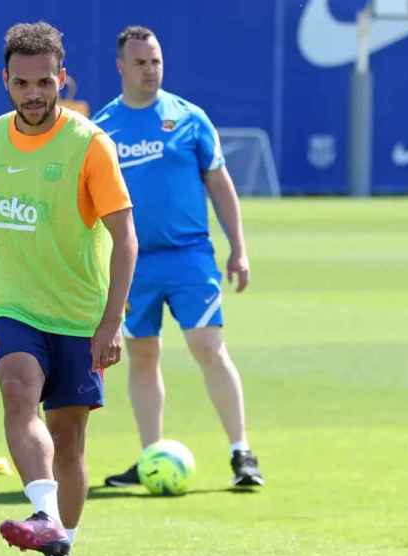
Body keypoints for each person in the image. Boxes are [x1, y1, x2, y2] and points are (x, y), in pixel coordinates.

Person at [0, 22, 136, 556]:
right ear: (6, 82)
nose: (35, 94)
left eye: (45, 82)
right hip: (10, 305)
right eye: (22, 83)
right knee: (18, 392)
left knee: (70, 443)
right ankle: (43, 513)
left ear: (62, 78)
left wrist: (112, 322)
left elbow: (125, 235)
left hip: (78, 313)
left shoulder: (91, 145)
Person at [93, 26, 264, 489]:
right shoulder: (103, 128)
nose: (150, 70)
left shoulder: (189, 118)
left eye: (156, 61)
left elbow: (220, 185)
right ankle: (151, 455)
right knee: (142, 355)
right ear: (121, 67)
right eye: (141, 62)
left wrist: (239, 248)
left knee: (207, 347)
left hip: (189, 257)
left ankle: (241, 453)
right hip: (133, 264)